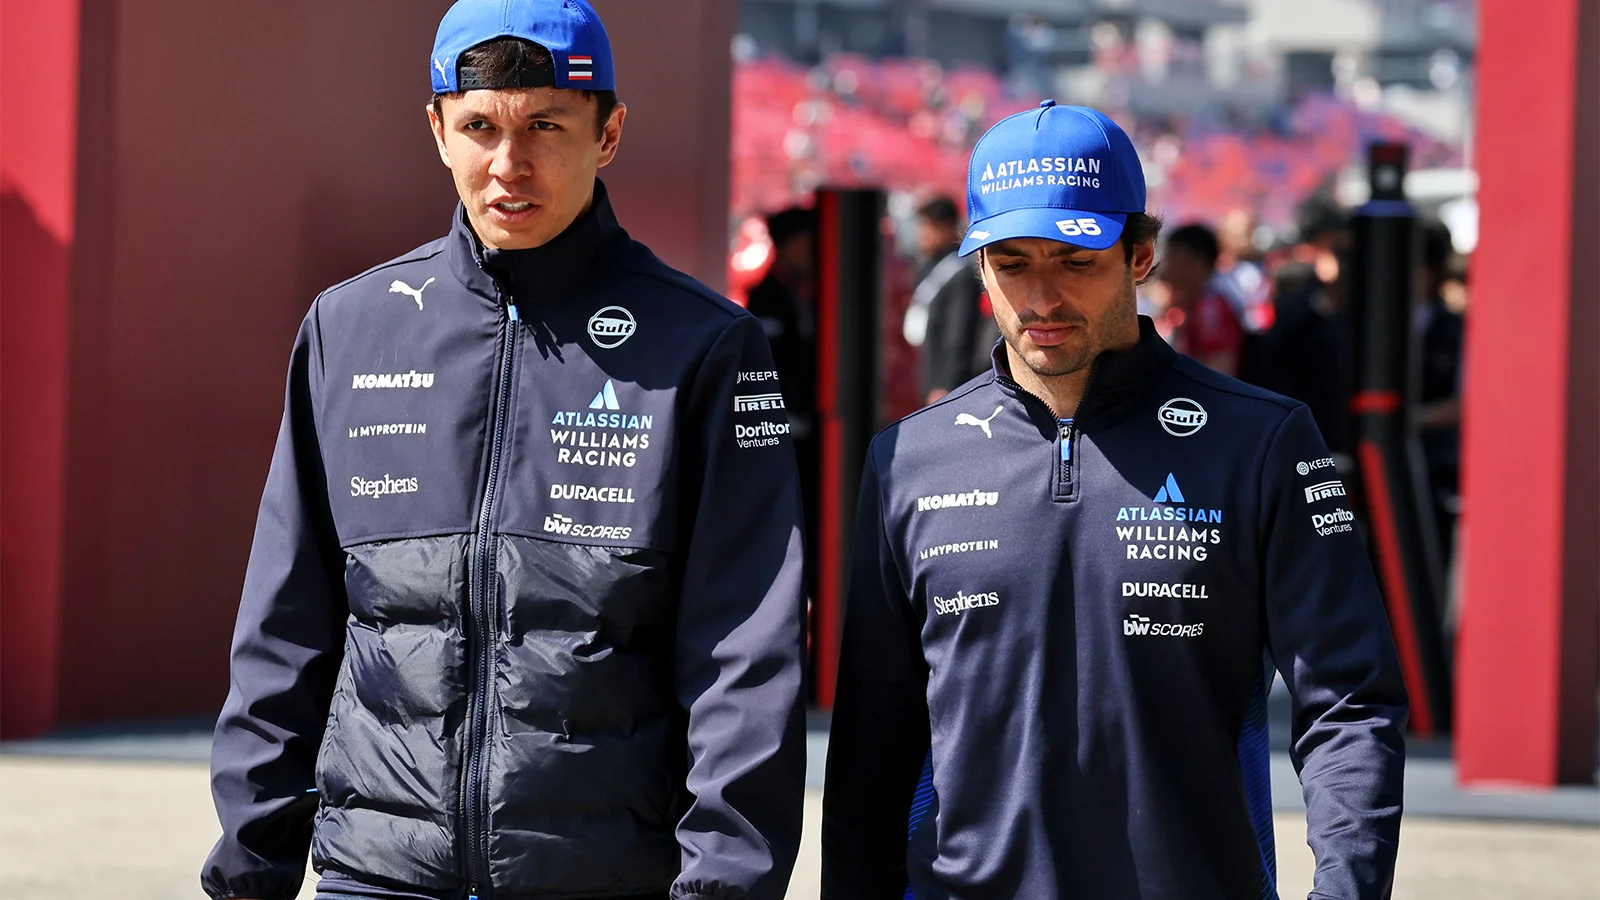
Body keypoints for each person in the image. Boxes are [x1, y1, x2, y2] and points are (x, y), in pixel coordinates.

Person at [202, 3, 807, 900]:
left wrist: (727, 886)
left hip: (602, 882)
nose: (509, 164)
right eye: (480, 127)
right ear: (437, 130)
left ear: (608, 134)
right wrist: (251, 869)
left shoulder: (705, 346)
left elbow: (745, 656)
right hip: (377, 878)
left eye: (546, 127)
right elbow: (284, 625)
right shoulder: (349, 329)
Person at [822, 101, 1407, 899]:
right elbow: (871, 744)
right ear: (980, 268)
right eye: (1012, 263)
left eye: (1075, 260)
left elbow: (1349, 703)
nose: (1042, 298)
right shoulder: (908, 459)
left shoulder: (1263, 442)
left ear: (1140, 256)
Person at [902, 196, 996, 404]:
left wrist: (944, 384)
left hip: (948, 384)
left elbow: (959, 333)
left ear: (946, 228)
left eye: (928, 227)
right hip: (930, 374)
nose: (922, 234)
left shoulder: (960, 273)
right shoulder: (929, 266)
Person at [1415, 219, 1464, 564]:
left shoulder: (1456, 328)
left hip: (1436, 469)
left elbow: (1467, 402)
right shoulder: (1362, 325)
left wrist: (1407, 420)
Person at [1158, 222, 1246, 376]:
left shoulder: (1211, 308)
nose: (1166, 263)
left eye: (1172, 256)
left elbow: (1220, 372)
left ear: (1197, 263)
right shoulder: (1182, 305)